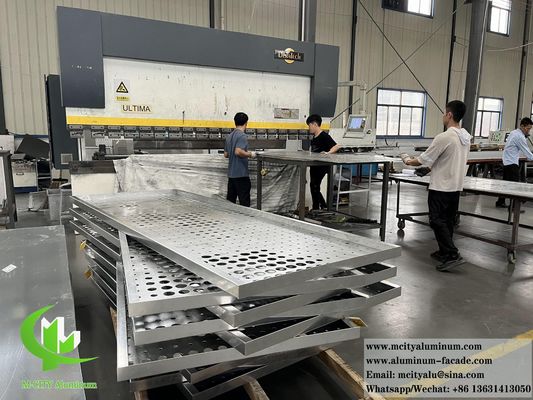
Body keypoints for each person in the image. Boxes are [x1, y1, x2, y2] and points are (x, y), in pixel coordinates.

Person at [400, 100, 471, 271]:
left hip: (441, 187)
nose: (443, 116)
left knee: (436, 220)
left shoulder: (445, 137)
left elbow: (421, 160)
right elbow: (446, 158)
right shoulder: (465, 137)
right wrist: (430, 168)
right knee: (447, 221)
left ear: (449, 115)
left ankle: (452, 254)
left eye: (444, 113)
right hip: (455, 186)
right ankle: (444, 251)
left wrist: (406, 159)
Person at [495, 117, 533, 208]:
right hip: (512, 163)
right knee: (515, 186)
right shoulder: (519, 137)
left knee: (505, 184)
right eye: (527, 128)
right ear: (522, 126)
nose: (528, 131)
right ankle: (513, 207)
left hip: (507, 161)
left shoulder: (514, 132)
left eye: (530, 129)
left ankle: (500, 202)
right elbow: (527, 153)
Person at [306, 114, 341, 210]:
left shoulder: (324, 136)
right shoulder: (314, 137)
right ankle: (318, 207)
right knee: (314, 186)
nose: (309, 128)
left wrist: (328, 153)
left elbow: (336, 146)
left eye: (309, 125)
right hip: (314, 165)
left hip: (321, 166)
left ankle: (320, 207)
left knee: (315, 186)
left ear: (315, 124)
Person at [224, 112, 255, 207]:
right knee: (244, 203)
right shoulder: (242, 136)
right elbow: (238, 152)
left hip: (231, 175)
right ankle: (245, 217)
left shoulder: (229, 136)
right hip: (241, 174)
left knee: (230, 203)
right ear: (246, 123)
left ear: (235, 122)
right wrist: (250, 154)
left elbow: (226, 154)